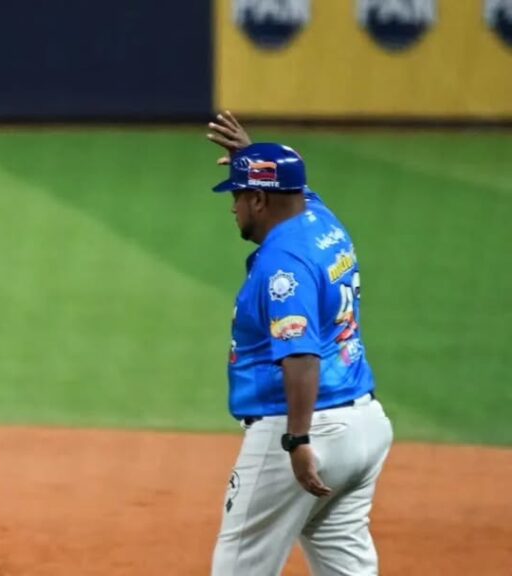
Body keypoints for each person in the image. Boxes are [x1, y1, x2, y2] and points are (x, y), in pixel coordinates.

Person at [206, 112, 393, 575]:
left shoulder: (282, 265)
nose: (233, 208)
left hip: (305, 429)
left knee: (238, 568)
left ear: (258, 200)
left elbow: (301, 355)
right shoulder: (322, 222)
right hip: (364, 425)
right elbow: (294, 189)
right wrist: (250, 157)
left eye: (237, 195)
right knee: (346, 565)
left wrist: (297, 439)